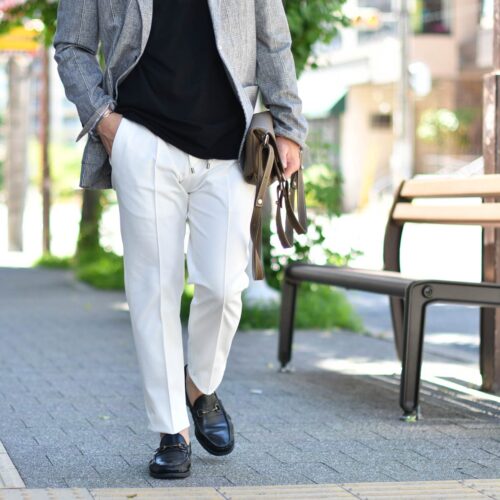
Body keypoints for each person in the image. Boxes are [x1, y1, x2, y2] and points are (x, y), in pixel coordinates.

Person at [53, 0, 308, 480]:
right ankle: (172, 428)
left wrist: (289, 126)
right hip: (142, 139)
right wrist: (105, 122)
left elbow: (272, 39)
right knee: (154, 291)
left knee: (225, 286)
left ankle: (199, 386)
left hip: (230, 147)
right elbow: (72, 45)